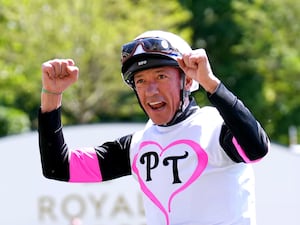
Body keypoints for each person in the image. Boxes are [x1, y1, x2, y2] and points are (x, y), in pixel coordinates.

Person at [38, 30, 270, 225]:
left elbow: (256, 148)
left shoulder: (216, 129)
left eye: (161, 76)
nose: (150, 91)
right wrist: (52, 95)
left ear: (188, 81)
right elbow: (58, 167)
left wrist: (210, 83)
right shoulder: (137, 145)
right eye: (140, 81)